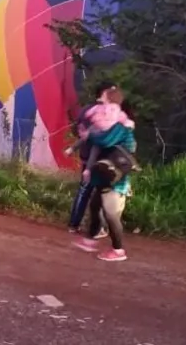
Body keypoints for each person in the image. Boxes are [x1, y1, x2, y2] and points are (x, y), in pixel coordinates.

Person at [71, 103, 137, 262]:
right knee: (95, 207)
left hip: (116, 181)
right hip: (105, 177)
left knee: (111, 215)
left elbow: (105, 141)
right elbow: (98, 145)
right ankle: (90, 240)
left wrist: (89, 134)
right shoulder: (113, 128)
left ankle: (118, 250)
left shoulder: (120, 129)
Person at [66, 81, 117, 235]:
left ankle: (74, 225)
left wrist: (77, 146)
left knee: (84, 191)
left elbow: (79, 130)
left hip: (86, 156)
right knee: (102, 193)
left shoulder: (86, 110)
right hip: (101, 158)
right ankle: (97, 228)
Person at [66, 87, 138, 181]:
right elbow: (123, 119)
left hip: (104, 135)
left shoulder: (102, 108)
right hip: (104, 135)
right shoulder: (115, 110)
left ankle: (81, 160)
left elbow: (88, 114)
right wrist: (129, 124)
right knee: (94, 144)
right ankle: (86, 167)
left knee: (93, 143)